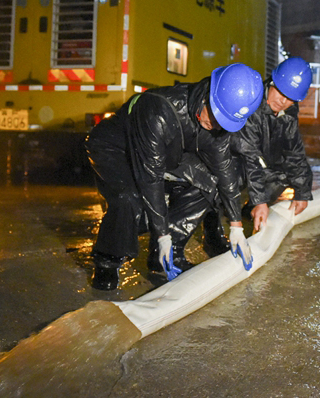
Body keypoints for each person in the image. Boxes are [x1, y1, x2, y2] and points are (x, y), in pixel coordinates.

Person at [86, 63, 264, 291]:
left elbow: (225, 170)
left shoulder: (216, 125)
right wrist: (162, 235)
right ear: (209, 93)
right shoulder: (159, 110)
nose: (215, 124)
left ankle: (167, 253)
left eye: (224, 122)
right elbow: (151, 179)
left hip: (168, 151)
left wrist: (236, 225)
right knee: (128, 199)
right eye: (216, 115)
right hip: (115, 148)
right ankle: (107, 261)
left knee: (208, 183)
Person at [232, 57, 314, 232]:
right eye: (281, 92)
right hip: (234, 159)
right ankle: (212, 224)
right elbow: (249, 155)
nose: (283, 101)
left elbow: (295, 153)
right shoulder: (252, 102)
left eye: (290, 98)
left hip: (258, 162)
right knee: (225, 178)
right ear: (272, 82)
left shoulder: (288, 113)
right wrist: (260, 200)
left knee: (282, 175)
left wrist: (302, 191)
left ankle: (249, 213)